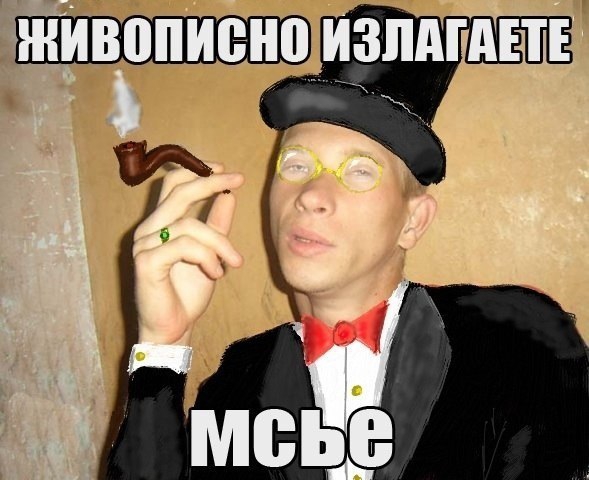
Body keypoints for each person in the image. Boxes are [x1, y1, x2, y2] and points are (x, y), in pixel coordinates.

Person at [107, 5, 589, 480]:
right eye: (296, 165)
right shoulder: (237, 382)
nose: (311, 196)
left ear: (413, 221)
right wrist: (163, 346)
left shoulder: (519, 341)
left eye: (359, 171)